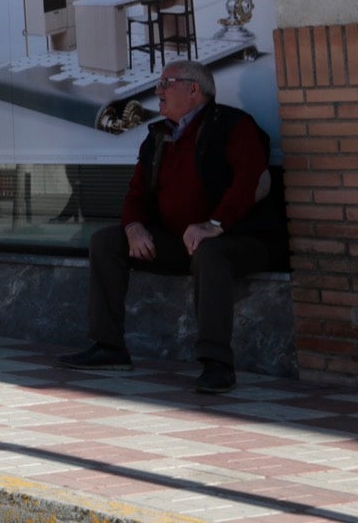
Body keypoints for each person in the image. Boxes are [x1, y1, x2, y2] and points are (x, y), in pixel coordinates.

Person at [58, 60, 286, 394]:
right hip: (179, 242)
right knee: (108, 241)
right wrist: (134, 226)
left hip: (238, 238)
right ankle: (109, 348)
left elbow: (250, 179)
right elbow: (136, 192)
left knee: (210, 253)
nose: (157, 91)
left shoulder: (233, 125)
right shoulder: (158, 136)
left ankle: (217, 364)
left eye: (167, 83)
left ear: (194, 89)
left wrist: (214, 223)